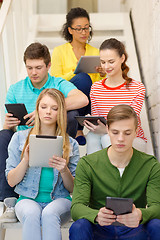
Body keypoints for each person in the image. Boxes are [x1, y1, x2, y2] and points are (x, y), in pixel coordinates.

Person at [0, 42, 88, 201]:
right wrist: (9, 123)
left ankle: (61, 177)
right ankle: (8, 198)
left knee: (71, 113)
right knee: (3, 135)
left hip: (56, 138)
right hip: (24, 143)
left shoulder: (58, 84)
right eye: (29, 68)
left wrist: (46, 111)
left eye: (38, 67)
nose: (33, 72)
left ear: (48, 65)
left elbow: (82, 99)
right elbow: (9, 130)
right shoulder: (15, 89)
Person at [69, 104, 160, 240]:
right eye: (115, 132)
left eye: (127, 133)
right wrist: (97, 216)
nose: (121, 138)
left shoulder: (150, 164)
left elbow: (157, 206)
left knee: (156, 225)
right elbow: (76, 207)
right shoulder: (87, 163)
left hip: (134, 228)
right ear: (107, 129)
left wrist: (140, 214)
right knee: (79, 226)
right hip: (100, 228)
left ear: (136, 132)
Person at [5, 88, 80, 240]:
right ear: (37, 108)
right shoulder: (19, 138)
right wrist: (26, 160)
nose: (48, 112)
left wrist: (64, 169)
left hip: (60, 199)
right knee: (32, 213)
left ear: (60, 112)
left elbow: (73, 188)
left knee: (49, 213)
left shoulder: (71, 143)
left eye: (54, 108)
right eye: (44, 107)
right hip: (27, 198)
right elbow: (11, 181)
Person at [51, 7, 106, 145]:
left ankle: (78, 129)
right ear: (70, 30)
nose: (84, 32)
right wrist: (75, 71)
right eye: (79, 28)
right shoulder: (59, 51)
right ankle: (78, 129)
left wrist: (102, 74)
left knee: (88, 81)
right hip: (69, 97)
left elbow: (99, 85)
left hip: (89, 98)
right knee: (82, 78)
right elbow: (55, 80)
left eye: (87, 28)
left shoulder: (96, 52)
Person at [84, 38, 147, 154]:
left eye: (111, 61)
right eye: (103, 62)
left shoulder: (137, 88)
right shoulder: (96, 88)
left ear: (122, 58)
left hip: (131, 138)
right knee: (92, 136)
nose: (106, 66)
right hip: (104, 134)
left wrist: (107, 130)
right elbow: (97, 119)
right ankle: (95, 172)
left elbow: (129, 121)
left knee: (107, 138)